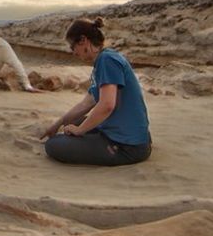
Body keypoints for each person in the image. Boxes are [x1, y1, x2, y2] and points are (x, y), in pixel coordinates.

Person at [40, 17, 151, 166]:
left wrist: (80, 131)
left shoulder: (107, 61)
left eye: (73, 47)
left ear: (83, 40)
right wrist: (57, 124)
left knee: (53, 146)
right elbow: (86, 103)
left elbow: (107, 105)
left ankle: (100, 144)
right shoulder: (104, 60)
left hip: (127, 146)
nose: (73, 52)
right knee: (71, 122)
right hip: (127, 135)